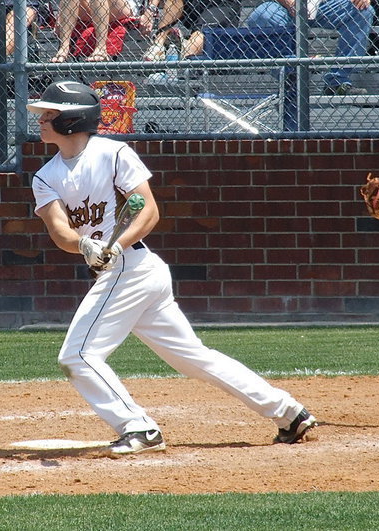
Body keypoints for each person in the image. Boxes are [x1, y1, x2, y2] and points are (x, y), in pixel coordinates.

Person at [28, 80, 318, 454]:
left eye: (49, 114)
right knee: (194, 358)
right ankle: (289, 413)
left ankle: (138, 428)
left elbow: (147, 210)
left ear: (72, 120)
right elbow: (59, 230)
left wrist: (115, 245)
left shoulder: (113, 154)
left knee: (77, 356)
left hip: (133, 267)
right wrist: (84, 245)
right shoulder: (45, 176)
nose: (41, 119)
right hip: (124, 272)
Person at [242, 0, 373, 96]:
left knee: (364, 10)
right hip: (283, 6)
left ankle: (337, 82)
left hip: (325, 4)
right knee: (261, 16)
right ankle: (291, 73)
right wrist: (290, 3)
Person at [140, 0, 241, 60]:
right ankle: (158, 46)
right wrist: (150, 10)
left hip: (221, 5)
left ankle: (183, 51)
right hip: (195, 4)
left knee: (200, 34)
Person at [50, 0, 137, 62]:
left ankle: (101, 48)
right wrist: (60, 16)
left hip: (119, 5)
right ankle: (64, 48)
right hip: (90, 6)